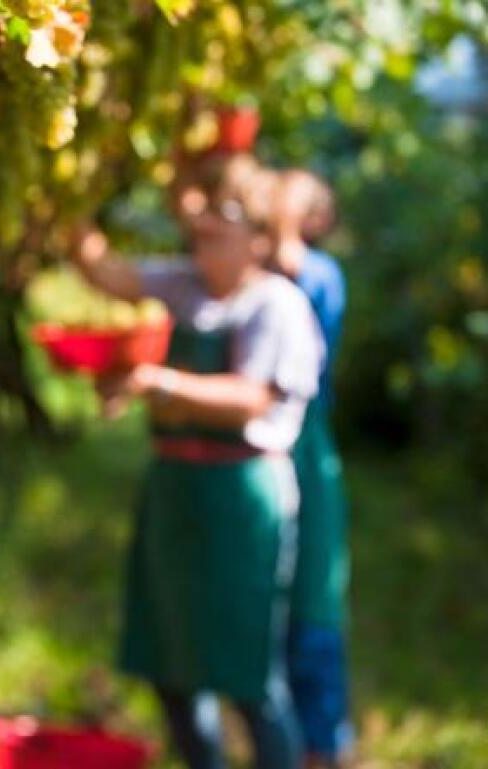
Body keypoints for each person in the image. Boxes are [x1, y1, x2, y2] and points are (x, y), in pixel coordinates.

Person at [70, 154, 322, 769]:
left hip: (242, 497)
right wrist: (72, 201)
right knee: (170, 661)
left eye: (224, 215)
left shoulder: (276, 306)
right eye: (204, 211)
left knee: (247, 672)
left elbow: (249, 399)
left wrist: (161, 384)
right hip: (175, 490)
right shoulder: (183, 282)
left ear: (259, 239)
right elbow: (111, 276)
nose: (204, 224)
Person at [271, 169, 354, 767]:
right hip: (256, 450)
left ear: (317, 221)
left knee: (313, 603)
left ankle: (321, 746)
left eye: (295, 197)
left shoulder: (321, 273)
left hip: (304, 448)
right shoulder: (252, 265)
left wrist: (275, 211)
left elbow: (290, 262)